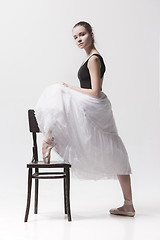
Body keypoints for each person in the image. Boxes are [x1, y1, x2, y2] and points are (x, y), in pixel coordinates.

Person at [35, 21, 135, 217]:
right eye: (75, 37)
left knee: (59, 91)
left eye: (82, 34)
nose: (79, 39)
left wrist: (69, 87)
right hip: (93, 105)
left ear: (91, 34)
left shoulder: (93, 59)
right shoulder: (90, 58)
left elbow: (96, 92)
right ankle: (128, 204)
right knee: (116, 152)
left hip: (95, 105)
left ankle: (49, 138)